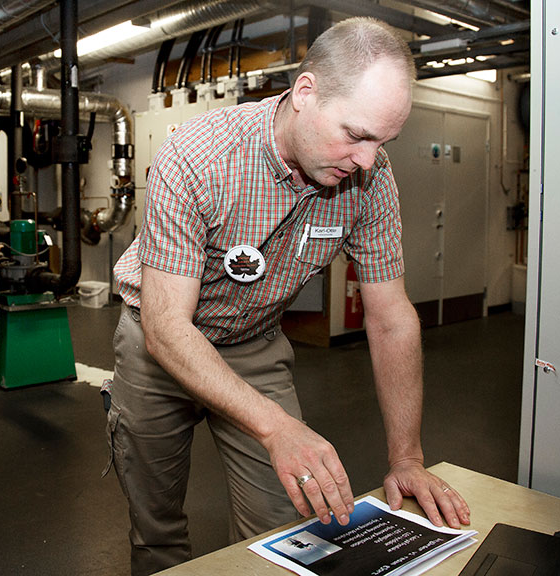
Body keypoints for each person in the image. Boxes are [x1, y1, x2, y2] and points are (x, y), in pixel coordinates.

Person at [103, 16, 471, 576]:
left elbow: (391, 318)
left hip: (253, 343)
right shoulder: (198, 157)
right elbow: (167, 328)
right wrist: (276, 427)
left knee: (286, 527)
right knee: (156, 528)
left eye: (382, 142)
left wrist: (408, 458)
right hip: (158, 343)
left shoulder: (370, 179)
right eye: (356, 134)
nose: (367, 159)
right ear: (305, 93)